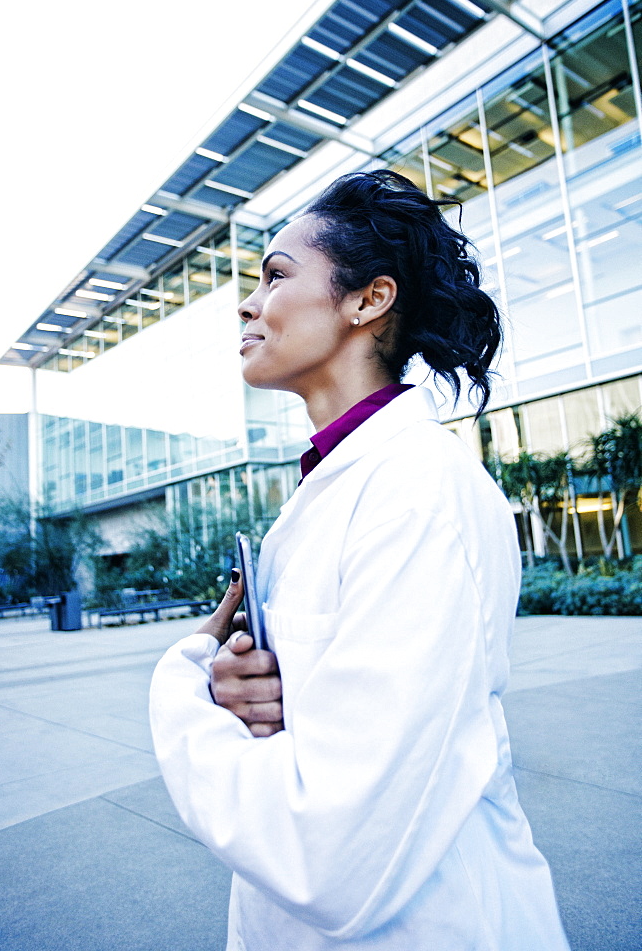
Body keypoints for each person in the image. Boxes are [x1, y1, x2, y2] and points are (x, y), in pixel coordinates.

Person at [149, 170, 570, 950]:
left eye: (276, 276)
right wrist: (234, 684)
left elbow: (326, 856)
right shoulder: (333, 488)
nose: (248, 303)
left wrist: (181, 683)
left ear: (367, 301)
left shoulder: (416, 496)